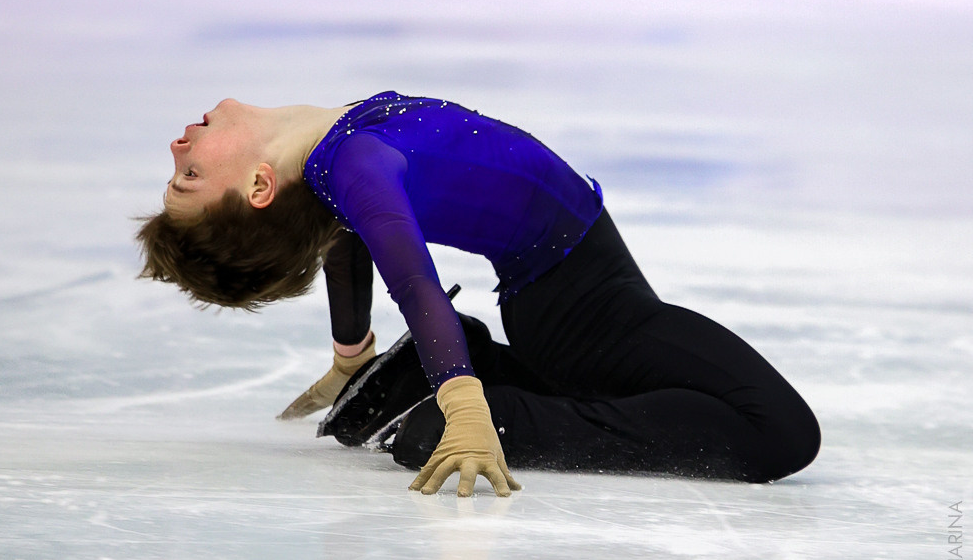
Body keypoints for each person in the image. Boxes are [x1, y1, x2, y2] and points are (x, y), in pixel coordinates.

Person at [136, 91, 821, 497]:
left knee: (692, 407)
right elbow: (412, 278)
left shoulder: (328, 165)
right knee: (780, 433)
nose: (176, 147)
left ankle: (457, 376)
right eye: (189, 174)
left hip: (567, 301)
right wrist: (465, 406)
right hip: (585, 310)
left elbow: (342, 238)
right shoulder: (353, 164)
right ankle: (496, 414)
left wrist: (351, 355)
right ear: (257, 187)